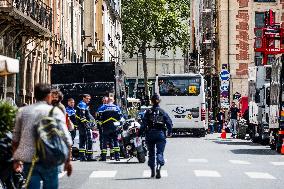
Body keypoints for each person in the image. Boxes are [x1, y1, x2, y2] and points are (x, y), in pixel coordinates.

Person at [12, 83, 72, 189]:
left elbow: (15, 138)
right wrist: (68, 160)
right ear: (48, 95)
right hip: (50, 157)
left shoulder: (23, 111)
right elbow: (66, 138)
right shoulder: (55, 111)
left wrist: (16, 160)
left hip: (29, 159)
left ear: (35, 95)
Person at [140, 94, 172, 179]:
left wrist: (139, 133)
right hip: (160, 134)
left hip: (150, 134)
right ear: (159, 101)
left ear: (151, 101)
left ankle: (152, 171)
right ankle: (159, 166)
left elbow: (143, 125)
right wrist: (169, 132)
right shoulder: (162, 111)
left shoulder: (148, 112)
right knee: (159, 152)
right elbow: (169, 123)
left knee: (151, 154)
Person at [98, 97, 122, 161]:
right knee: (115, 141)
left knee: (104, 142)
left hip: (106, 127)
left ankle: (103, 157)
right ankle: (117, 157)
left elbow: (99, 117)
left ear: (107, 101)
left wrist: (101, 125)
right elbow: (120, 117)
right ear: (113, 101)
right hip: (114, 127)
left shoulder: (103, 107)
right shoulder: (117, 108)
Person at [76, 94, 95, 161]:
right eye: (87, 98)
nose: (88, 100)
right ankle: (89, 157)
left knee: (82, 141)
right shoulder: (82, 104)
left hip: (81, 126)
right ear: (83, 98)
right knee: (89, 140)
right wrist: (87, 125)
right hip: (84, 126)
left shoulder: (82, 104)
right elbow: (82, 116)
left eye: (89, 99)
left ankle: (82, 157)